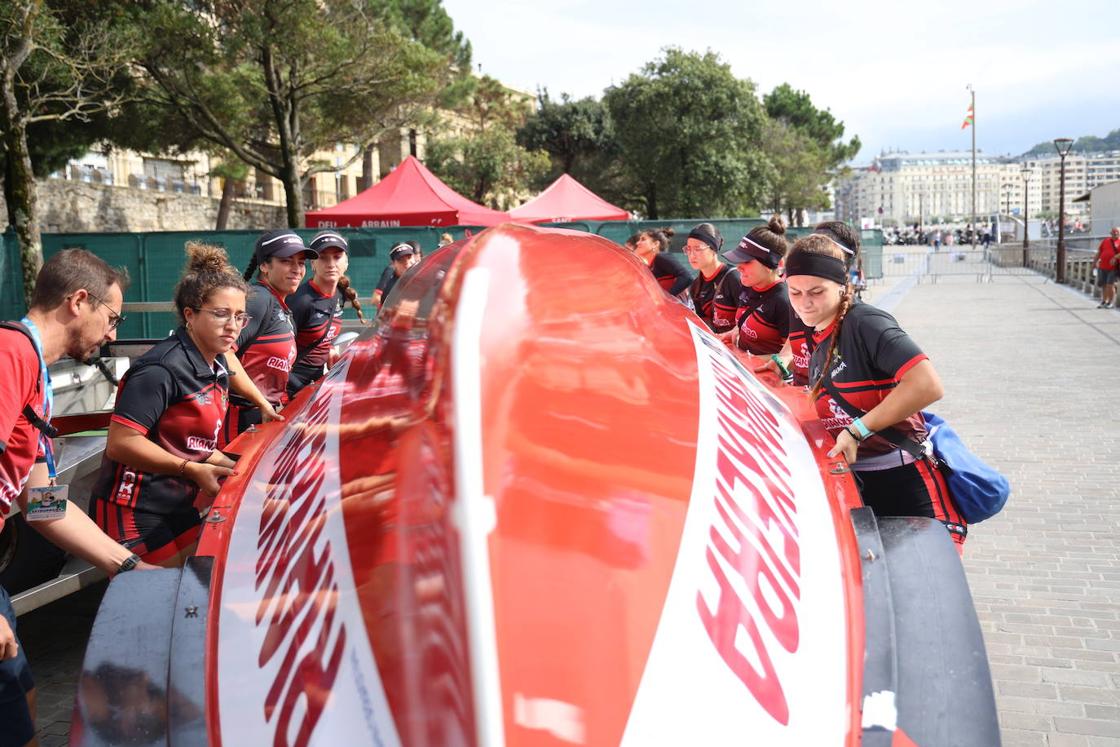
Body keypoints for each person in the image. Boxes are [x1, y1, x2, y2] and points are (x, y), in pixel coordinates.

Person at [0, 249, 158, 747]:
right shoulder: (10, 355)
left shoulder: (36, 374)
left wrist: (129, 566)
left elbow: (43, 504)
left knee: (20, 698)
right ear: (79, 302)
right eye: (111, 318)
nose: (113, 332)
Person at [785, 233, 966, 549]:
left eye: (816, 291)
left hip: (907, 483)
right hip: (860, 484)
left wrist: (857, 431)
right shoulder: (818, 331)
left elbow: (927, 383)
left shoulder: (866, 322)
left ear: (842, 285)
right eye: (795, 292)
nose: (805, 302)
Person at [89, 244, 247, 566]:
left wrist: (245, 472)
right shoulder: (162, 369)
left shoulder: (216, 366)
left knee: (195, 585)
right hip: (133, 508)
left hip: (176, 500)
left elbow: (194, 445)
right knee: (156, 600)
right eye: (221, 314)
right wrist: (192, 470)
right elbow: (121, 444)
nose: (233, 325)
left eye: (240, 316)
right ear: (190, 315)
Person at [222, 230, 316, 442]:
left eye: (301, 263)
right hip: (239, 420)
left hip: (261, 417)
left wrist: (308, 389)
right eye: (286, 261)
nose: (297, 269)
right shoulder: (259, 299)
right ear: (264, 266)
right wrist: (262, 402)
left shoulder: (281, 307)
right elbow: (223, 353)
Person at [287, 231, 367, 397]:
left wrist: (328, 348)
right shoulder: (302, 301)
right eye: (323, 257)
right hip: (292, 388)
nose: (331, 264)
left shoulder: (340, 294)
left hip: (317, 382)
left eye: (337, 257)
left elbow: (319, 333)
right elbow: (276, 353)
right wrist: (299, 390)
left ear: (346, 262)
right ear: (312, 264)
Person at [719, 216, 791, 356]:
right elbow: (746, 322)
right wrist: (732, 332)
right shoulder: (748, 285)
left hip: (764, 377)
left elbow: (795, 358)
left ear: (773, 264)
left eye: (746, 261)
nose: (739, 267)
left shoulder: (784, 301)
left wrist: (747, 360)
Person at [684, 223, 740, 332]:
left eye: (698, 249)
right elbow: (704, 323)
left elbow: (747, 320)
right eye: (688, 249)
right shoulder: (696, 285)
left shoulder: (733, 277)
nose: (692, 255)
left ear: (713, 249)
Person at [630, 228, 692, 295]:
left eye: (643, 239)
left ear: (655, 244)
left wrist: (668, 297)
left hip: (679, 304)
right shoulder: (650, 266)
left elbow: (687, 277)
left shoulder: (661, 257)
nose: (637, 243)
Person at [371, 242, 421, 309]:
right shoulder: (389, 282)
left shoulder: (423, 278)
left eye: (409, 257)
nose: (407, 262)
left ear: (414, 258)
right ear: (393, 263)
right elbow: (375, 299)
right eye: (401, 260)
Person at [1093, 227, 1120, 308]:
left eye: (1117, 233)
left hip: (1113, 267)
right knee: (1103, 284)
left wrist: (1115, 257)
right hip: (1102, 266)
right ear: (1111, 233)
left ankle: (1110, 302)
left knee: (1110, 285)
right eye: (1113, 233)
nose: (1115, 234)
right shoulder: (1105, 241)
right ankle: (1104, 301)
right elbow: (1099, 252)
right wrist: (1094, 262)